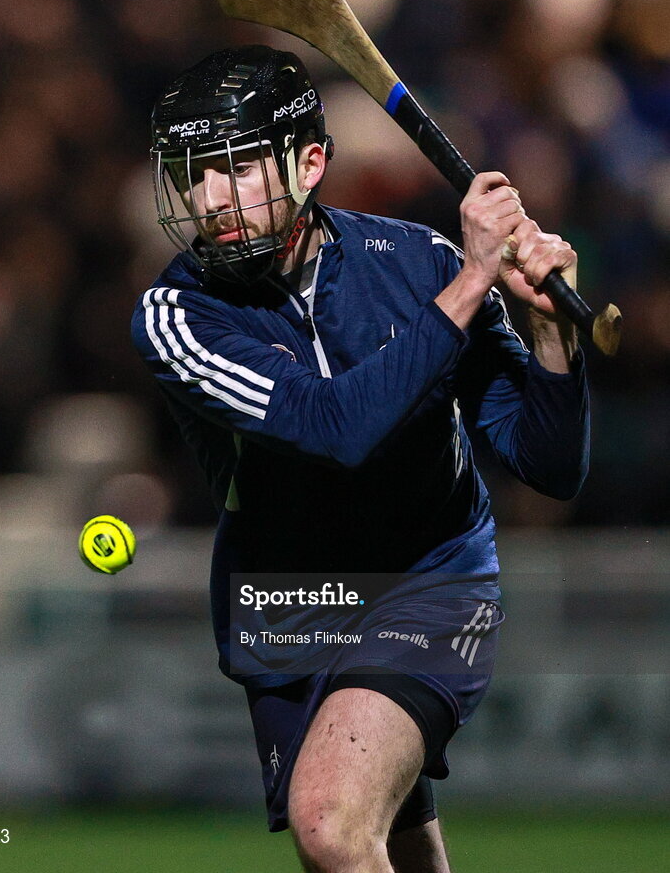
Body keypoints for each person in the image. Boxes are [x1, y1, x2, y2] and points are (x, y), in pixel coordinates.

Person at [132, 45, 589, 873]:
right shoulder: (179, 316)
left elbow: (547, 463)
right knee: (367, 844)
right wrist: (472, 284)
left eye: (236, 168)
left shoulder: (418, 265)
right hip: (284, 599)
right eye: (195, 174)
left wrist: (552, 331)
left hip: (428, 576)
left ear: (309, 163)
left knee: (331, 825)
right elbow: (333, 427)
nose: (210, 198)